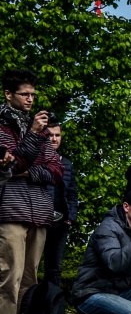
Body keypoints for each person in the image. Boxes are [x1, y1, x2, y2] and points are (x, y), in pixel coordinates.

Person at [0, 69, 63, 314]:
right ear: (8, 94)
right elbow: (11, 165)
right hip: (11, 210)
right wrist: (35, 136)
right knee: (8, 275)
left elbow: (56, 169)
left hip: (39, 212)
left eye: (33, 95)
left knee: (29, 278)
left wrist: (27, 170)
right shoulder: (3, 125)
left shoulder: (36, 128)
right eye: (25, 94)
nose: (30, 99)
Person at [40, 120, 77, 286]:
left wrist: (71, 216)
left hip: (61, 223)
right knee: (30, 266)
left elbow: (72, 193)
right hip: (39, 221)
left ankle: (52, 309)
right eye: (50, 135)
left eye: (57, 135)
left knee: (54, 268)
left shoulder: (66, 163)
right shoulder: (35, 161)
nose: (54, 139)